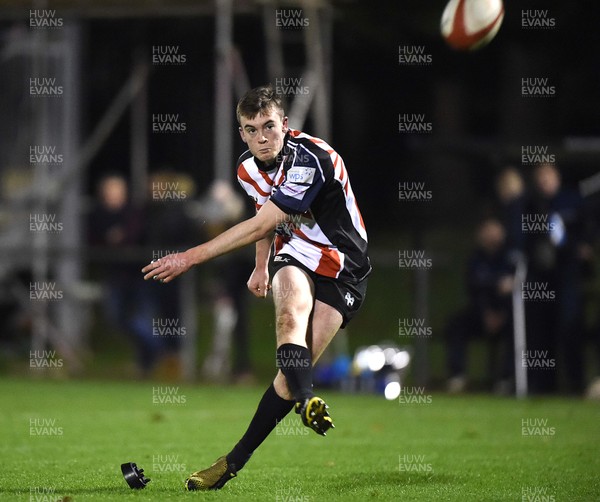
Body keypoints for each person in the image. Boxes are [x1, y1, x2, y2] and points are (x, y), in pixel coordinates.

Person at [141, 84, 371, 490]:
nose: (262, 138)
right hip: (295, 252)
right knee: (288, 316)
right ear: (242, 133)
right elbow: (263, 213)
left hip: (343, 265)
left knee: (291, 373)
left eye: (269, 126)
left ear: (285, 124)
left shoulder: (310, 160)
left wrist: (187, 257)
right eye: (250, 129)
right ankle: (306, 403)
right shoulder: (247, 168)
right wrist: (261, 265)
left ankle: (235, 458)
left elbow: (263, 223)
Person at [444, 218, 515, 393]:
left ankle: (506, 378)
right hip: (481, 314)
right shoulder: (475, 258)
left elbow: (513, 289)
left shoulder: (510, 257)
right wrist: (486, 314)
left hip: (506, 314)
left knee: (517, 330)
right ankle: (457, 376)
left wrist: (502, 313)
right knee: (456, 324)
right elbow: (474, 289)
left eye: (495, 230)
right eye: (487, 230)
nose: (491, 235)